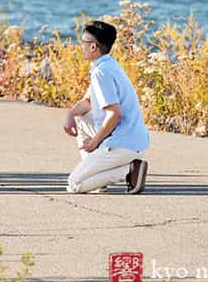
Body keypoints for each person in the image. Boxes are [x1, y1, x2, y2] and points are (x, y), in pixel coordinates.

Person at [62, 20, 149, 194]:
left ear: (93, 47)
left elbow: (114, 114)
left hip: (123, 144)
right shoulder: (108, 65)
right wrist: (70, 114)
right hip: (134, 140)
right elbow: (87, 102)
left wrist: (95, 143)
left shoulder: (102, 73)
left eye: (83, 42)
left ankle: (129, 171)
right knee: (81, 118)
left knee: (74, 185)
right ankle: (99, 180)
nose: (81, 46)